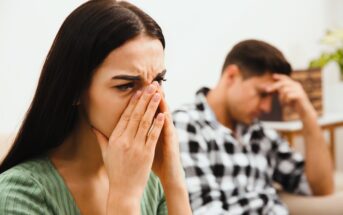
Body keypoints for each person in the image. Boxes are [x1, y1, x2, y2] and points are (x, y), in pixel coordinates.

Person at [0, 1, 191, 214]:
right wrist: (124, 198)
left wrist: (173, 180)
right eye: (126, 85)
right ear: (74, 89)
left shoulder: (153, 183)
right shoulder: (19, 194)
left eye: (158, 81)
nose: (152, 100)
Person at [173, 39, 334, 214]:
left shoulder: (260, 133)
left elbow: (320, 188)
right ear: (232, 76)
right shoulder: (187, 125)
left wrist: (307, 114)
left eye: (272, 97)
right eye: (262, 94)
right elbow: (205, 210)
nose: (267, 108)